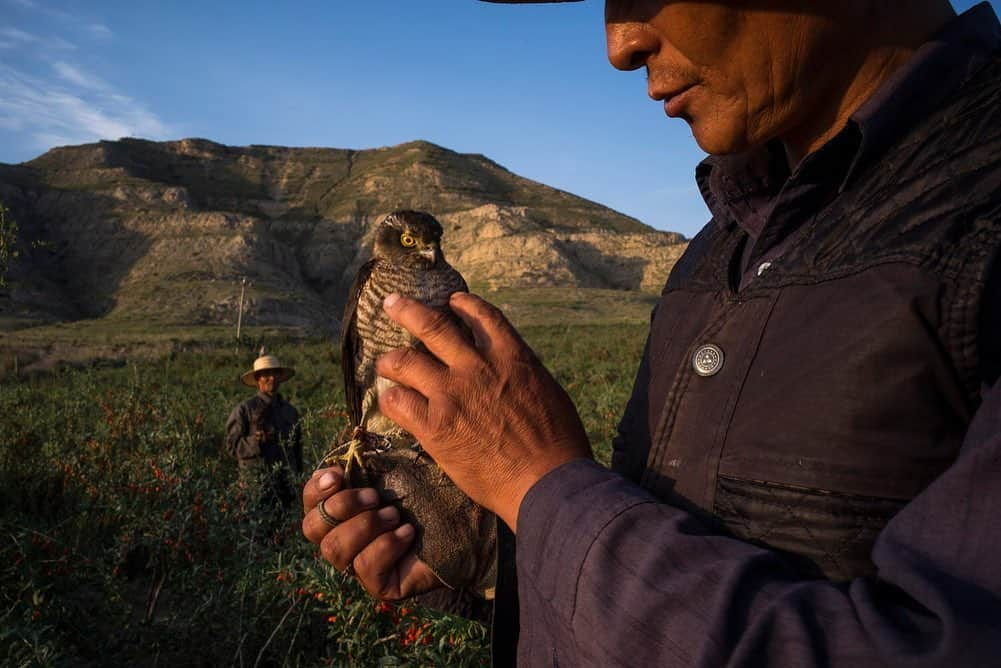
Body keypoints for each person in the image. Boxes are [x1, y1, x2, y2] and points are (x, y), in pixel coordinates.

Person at [303, 0, 1001, 665]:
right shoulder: (714, 252)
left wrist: (538, 486)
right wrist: (481, 555)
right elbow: (670, 565)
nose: (619, 43)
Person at [226, 352, 303, 509]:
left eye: (275, 373)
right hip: (257, 485)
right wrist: (255, 441)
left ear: (280, 377)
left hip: (287, 485)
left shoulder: (290, 411)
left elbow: (297, 449)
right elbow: (231, 446)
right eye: (266, 375)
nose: (272, 378)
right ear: (257, 380)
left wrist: (299, 479)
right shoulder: (244, 410)